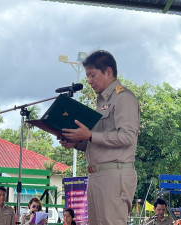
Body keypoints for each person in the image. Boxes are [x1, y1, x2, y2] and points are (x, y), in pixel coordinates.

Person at [60, 50, 140, 225]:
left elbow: (127, 137)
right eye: (87, 75)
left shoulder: (123, 97)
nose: (89, 81)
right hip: (97, 175)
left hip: (114, 174)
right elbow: (95, 140)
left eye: (92, 75)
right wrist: (77, 141)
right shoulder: (102, 102)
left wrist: (89, 135)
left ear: (108, 72)